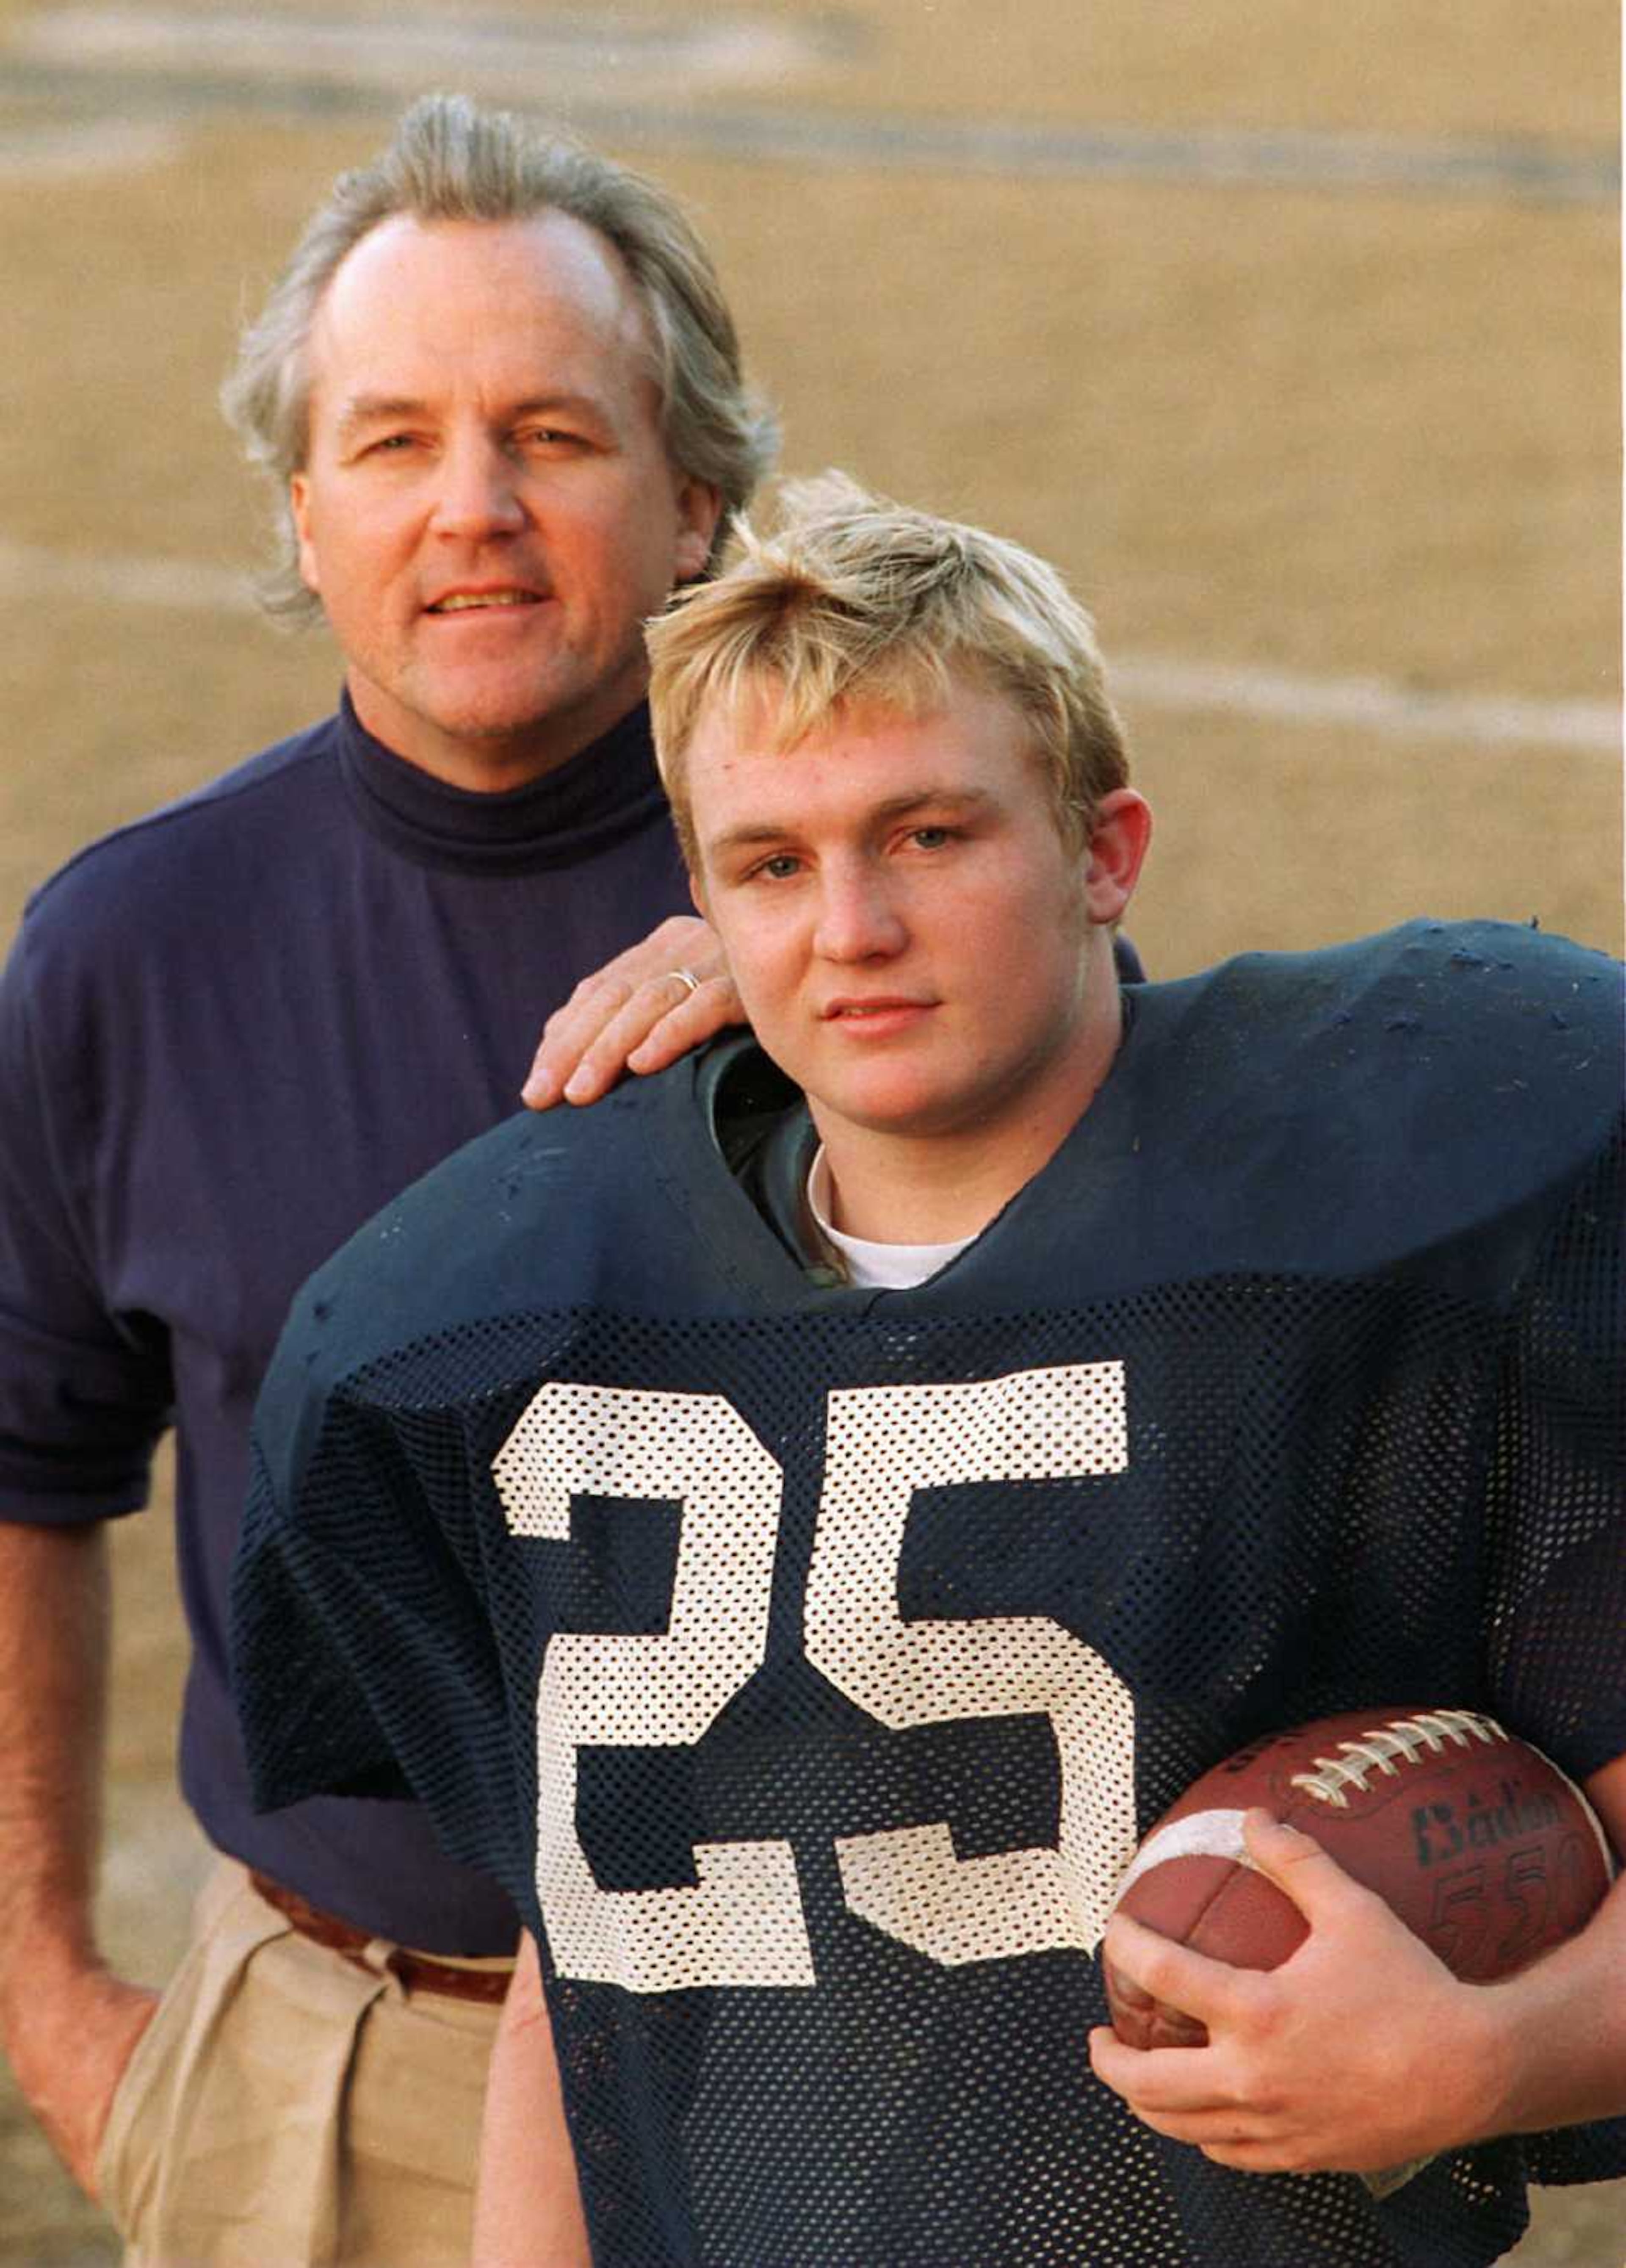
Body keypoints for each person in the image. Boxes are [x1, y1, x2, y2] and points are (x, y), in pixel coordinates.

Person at [234, 478, 1626, 2268]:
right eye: (772, 865)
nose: (852, 929)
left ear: (1105, 853)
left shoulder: (1370, 1235)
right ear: (703, 914)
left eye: (929, 836)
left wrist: (1490, 2058)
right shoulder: (525, 1327)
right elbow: (577, 1987)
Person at [0, 92, 770, 2267]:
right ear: (305, 510)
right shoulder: (127, 951)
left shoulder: (890, 915)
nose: (476, 512)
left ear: (697, 492)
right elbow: (25, 1473)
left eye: (553, 433)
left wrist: (811, 962)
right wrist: (45, 1996)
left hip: (834, 2038)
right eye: (396, 442)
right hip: (333, 2072)